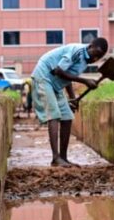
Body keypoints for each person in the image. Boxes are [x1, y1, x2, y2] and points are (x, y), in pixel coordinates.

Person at [31, 38, 108, 167]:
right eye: (96, 53)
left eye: (99, 57)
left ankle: (63, 158)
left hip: (56, 85)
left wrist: (72, 97)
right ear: (90, 46)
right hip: (44, 77)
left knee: (67, 116)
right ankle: (55, 158)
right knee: (54, 115)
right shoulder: (77, 51)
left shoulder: (85, 60)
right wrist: (85, 81)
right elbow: (59, 71)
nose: (96, 58)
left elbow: (68, 76)